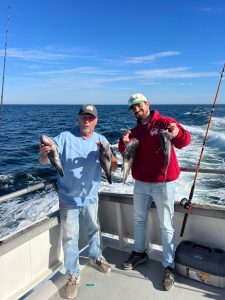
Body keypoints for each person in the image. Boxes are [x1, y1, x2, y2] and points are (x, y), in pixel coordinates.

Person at [39, 104, 118, 299]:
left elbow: (114, 167)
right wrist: (45, 151)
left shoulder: (101, 140)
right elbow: (43, 160)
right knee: (69, 238)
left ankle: (96, 257)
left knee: (94, 229)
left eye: (91, 117)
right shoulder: (64, 137)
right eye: (84, 116)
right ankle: (73, 273)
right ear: (78, 118)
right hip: (68, 198)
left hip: (91, 196)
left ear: (96, 121)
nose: (87, 120)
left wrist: (109, 154)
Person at [118, 93, 191, 291]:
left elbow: (185, 142)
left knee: (166, 225)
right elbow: (124, 152)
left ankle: (168, 265)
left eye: (138, 106)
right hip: (141, 182)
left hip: (164, 183)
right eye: (132, 108)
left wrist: (176, 134)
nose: (136, 110)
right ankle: (139, 252)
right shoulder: (135, 131)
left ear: (147, 104)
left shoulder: (166, 122)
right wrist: (123, 141)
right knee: (139, 219)